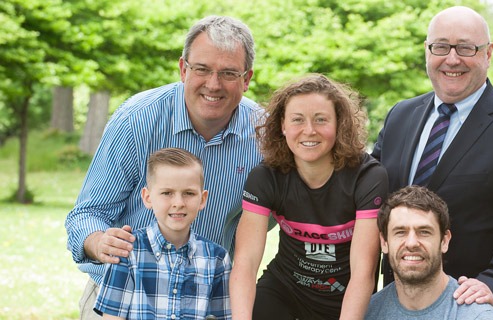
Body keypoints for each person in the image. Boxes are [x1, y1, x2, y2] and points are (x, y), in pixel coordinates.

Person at [65, 15, 262, 319]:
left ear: (247, 79)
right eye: (202, 69)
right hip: (124, 296)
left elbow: (266, 219)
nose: (213, 84)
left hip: (205, 301)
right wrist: (99, 242)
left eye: (228, 73)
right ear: (184, 69)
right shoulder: (136, 119)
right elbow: (86, 214)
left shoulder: (264, 136)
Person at [371, 6, 493, 319]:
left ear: (488, 53)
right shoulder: (400, 115)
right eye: (440, 46)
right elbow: (369, 195)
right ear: (427, 51)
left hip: (470, 305)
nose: (452, 59)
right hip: (399, 303)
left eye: (466, 48)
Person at [229, 74, 388, 320]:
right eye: (297, 120)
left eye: (321, 119)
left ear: (339, 123)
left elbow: (363, 273)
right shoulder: (266, 177)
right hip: (285, 287)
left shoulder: (368, 177)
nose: (309, 131)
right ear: (282, 125)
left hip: (342, 296)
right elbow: (245, 263)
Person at [93, 148, 231, 320]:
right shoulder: (127, 252)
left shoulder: (217, 259)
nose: (178, 203)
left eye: (189, 193)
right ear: (148, 197)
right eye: (167, 193)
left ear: (202, 199)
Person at [366, 185, 493, 319]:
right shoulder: (365, 313)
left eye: (424, 232)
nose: (412, 243)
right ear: (384, 242)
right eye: (400, 232)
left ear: (444, 241)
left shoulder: (479, 316)